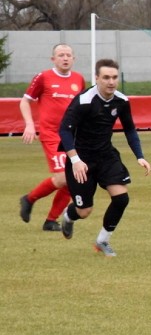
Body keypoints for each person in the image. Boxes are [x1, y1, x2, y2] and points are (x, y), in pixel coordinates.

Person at [58, 59, 151, 257]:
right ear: (97, 78)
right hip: (81, 159)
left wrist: (139, 156)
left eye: (115, 77)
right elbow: (65, 131)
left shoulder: (121, 101)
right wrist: (75, 160)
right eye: (106, 77)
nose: (111, 82)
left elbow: (130, 129)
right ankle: (68, 216)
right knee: (84, 211)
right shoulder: (84, 101)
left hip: (106, 156)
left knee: (121, 198)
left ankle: (102, 240)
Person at [19, 44, 87, 232]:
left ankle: (50, 221)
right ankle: (29, 198)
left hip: (72, 136)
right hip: (51, 135)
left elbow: (81, 107)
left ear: (74, 58)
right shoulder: (44, 77)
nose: (65, 58)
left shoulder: (78, 79)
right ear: (53, 59)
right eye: (61, 55)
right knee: (64, 177)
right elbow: (25, 101)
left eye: (68, 55)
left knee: (72, 178)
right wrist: (30, 124)